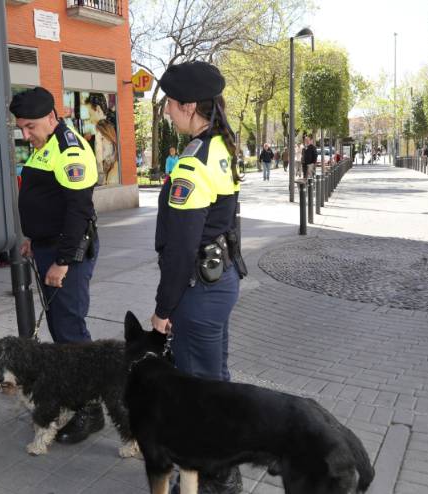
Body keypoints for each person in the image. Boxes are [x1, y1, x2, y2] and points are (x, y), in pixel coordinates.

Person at [153, 61, 245, 494]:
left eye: (170, 104)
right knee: (214, 383)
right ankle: (223, 470)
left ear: (189, 106)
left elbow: (180, 249)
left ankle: (212, 479)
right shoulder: (221, 146)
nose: (167, 112)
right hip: (219, 279)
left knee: (196, 394)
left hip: (198, 289)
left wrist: (162, 309)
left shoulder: (193, 164)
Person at [9, 87, 102, 445]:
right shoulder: (46, 143)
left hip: (67, 254)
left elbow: (78, 212)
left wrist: (63, 262)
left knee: (71, 332)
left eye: (30, 126)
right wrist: (34, 238)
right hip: (49, 248)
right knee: (61, 329)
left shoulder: (70, 150)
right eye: (21, 127)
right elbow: (49, 200)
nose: (25, 134)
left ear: (51, 117)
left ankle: (90, 409)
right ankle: (75, 398)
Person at [83, 93, 119, 185]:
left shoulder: (110, 128)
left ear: (98, 109)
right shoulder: (109, 125)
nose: (90, 119)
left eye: (90, 114)